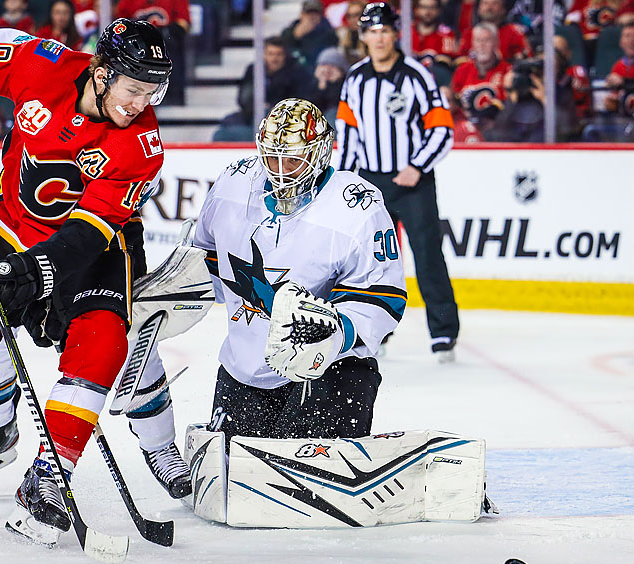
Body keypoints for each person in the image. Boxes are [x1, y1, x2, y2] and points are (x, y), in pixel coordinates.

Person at [0, 19, 191, 547]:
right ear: (102, 74)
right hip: (9, 226)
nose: (142, 103)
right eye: (134, 89)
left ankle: (49, 474)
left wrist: (38, 269)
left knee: (105, 346)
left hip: (95, 250)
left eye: (153, 92)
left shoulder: (142, 147)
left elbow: (89, 233)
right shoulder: (42, 64)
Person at [193, 98, 406, 442]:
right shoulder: (233, 184)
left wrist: (336, 333)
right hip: (244, 368)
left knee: (307, 486)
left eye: (292, 159)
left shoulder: (357, 205)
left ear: (319, 153)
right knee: (231, 482)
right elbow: (204, 261)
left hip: (329, 370)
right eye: (271, 157)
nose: (279, 170)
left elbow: (384, 298)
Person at [336, 2, 460, 362]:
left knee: (427, 255)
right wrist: (342, 181)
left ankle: (443, 333)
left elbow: (442, 129)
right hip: (372, 183)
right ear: (362, 36)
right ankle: (376, 330)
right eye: (371, 31)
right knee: (374, 262)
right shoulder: (355, 78)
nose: (378, 38)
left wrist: (417, 166)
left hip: (413, 182)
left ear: (395, 34)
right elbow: (348, 135)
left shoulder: (417, 76)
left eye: (384, 31)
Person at [213, 36, 310, 141]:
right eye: (270, 54)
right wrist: (257, 107)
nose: (274, 58)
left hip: (283, 119)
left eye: (278, 54)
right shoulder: (254, 70)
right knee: (226, 124)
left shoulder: (296, 73)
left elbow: (298, 101)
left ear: (285, 55)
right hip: (252, 114)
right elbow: (243, 97)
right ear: (264, 55)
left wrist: (272, 107)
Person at [448, 22, 511, 133]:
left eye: (486, 40)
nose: (482, 45)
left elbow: (509, 109)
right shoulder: (462, 70)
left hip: (496, 131)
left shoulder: (507, 71)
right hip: (464, 129)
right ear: (473, 43)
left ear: (496, 43)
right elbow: (454, 104)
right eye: (478, 40)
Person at [456, 0, 532, 61]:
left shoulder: (514, 32)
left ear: (503, 10)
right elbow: (460, 60)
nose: (489, 8)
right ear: (479, 9)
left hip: (504, 76)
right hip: (475, 77)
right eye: (485, 3)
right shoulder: (469, 33)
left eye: (495, 3)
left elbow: (526, 58)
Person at [280, 0, 340, 67]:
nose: (312, 17)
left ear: (321, 16)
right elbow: (282, 47)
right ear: (302, 15)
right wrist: (295, 36)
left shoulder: (329, 33)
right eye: (308, 13)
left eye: (315, 13)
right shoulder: (290, 31)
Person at [306, 46, 349, 123]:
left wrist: (335, 83)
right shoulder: (311, 83)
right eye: (324, 65)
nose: (327, 69)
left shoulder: (346, 84)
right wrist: (321, 86)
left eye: (332, 66)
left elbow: (335, 103)